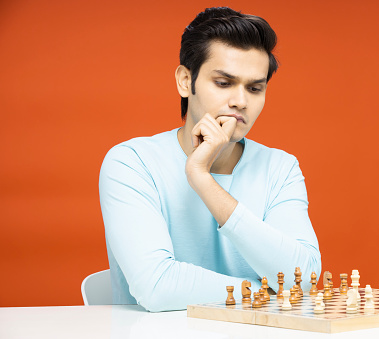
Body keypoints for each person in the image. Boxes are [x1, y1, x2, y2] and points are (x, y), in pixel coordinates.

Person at [99, 7, 321, 312]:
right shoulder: (131, 163)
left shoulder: (280, 168)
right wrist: (267, 293)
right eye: (223, 83)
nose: (240, 102)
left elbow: (304, 276)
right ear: (185, 81)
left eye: (255, 88)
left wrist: (202, 179)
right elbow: (157, 287)